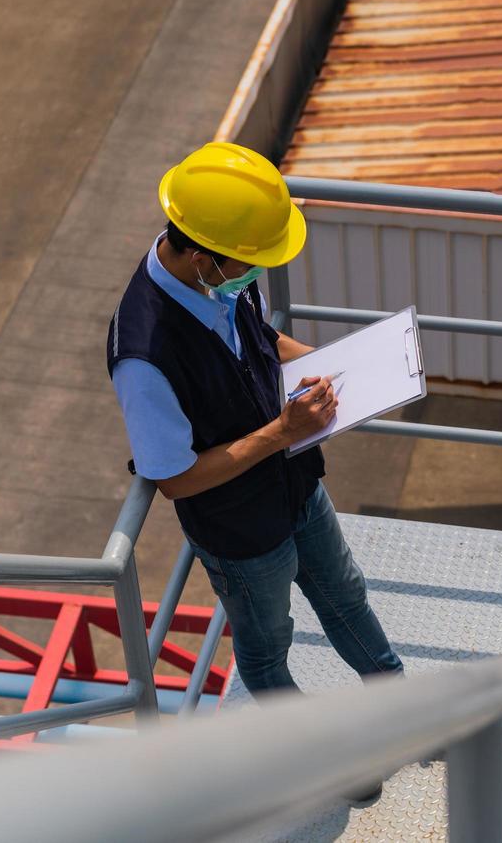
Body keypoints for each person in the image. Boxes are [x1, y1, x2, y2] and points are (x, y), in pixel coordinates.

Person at [107, 142, 404, 705]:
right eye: (251, 261)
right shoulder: (144, 356)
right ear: (202, 255)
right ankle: (308, 755)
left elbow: (260, 340)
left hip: (296, 486)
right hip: (240, 534)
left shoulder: (219, 275)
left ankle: (403, 707)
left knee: (347, 597)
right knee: (268, 649)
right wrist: (283, 434)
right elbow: (176, 479)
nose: (260, 272)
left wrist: (344, 368)